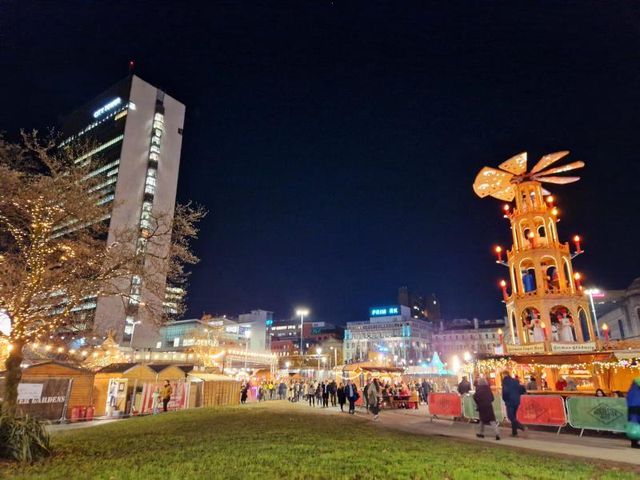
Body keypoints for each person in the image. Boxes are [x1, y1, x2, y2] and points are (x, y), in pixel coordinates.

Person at [502, 372, 526, 437]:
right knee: (514, 417)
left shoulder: (505, 382)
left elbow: (505, 392)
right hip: (516, 401)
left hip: (510, 401)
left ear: (504, 375)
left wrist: (505, 399)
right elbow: (522, 388)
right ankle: (514, 432)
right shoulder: (515, 381)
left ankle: (521, 426)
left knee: (510, 416)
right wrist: (518, 395)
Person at [626, 378, 640, 448]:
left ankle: (634, 442)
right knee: (635, 425)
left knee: (634, 426)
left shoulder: (632, 390)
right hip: (636, 409)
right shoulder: (636, 391)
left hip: (632, 410)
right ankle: (635, 443)